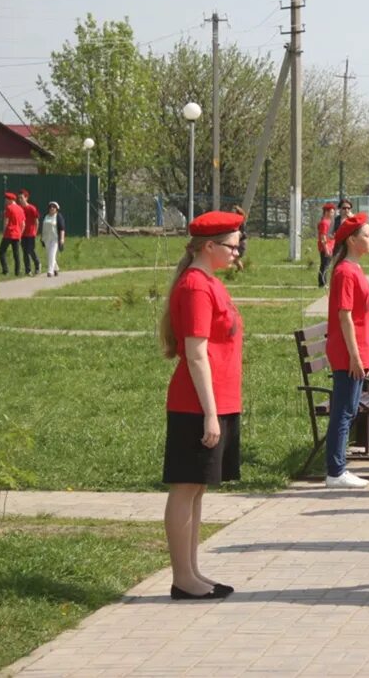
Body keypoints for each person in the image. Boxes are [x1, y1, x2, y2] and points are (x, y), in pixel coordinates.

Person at [158, 210, 245, 600]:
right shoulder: (196, 286)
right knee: (185, 487)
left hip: (216, 400)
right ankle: (182, 578)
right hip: (196, 405)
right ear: (208, 247)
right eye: (231, 244)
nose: (237, 251)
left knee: (197, 490)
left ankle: (191, 571)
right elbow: (195, 354)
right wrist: (210, 413)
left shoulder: (209, 281)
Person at [324, 212, 369, 489]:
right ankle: (335, 471)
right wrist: (355, 357)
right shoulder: (345, 271)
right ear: (353, 240)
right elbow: (344, 316)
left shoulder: (354, 269)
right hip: (348, 352)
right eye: (367, 235)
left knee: (349, 409)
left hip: (358, 349)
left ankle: (338, 466)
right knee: (343, 411)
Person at [0, 191, 25, 276]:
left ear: (10, 200)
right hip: (17, 234)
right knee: (16, 254)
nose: (5, 202)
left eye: (6, 200)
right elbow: (23, 224)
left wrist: (3, 232)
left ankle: (5, 270)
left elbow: (6, 221)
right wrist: (20, 234)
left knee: (1, 251)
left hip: (9, 233)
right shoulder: (20, 209)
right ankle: (17, 272)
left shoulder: (9, 208)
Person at [41, 201, 66, 277]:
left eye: (54, 207)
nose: (52, 208)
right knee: (49, 255)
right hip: (46, 238)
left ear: (57, 209)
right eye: (50, 207)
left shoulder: (58, 217)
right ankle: (56, 268)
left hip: (55, 239)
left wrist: (62, 239)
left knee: (52, 254)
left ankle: (50, 271)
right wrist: (42, 238)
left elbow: (62, 229)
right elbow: (43, 228)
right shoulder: (46, 216)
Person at [20, 190, 40, 276]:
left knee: (31, 250)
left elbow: (36, 221)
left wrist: (35, 232)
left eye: (21, 198)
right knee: (25, 252)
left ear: (26, 198)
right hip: (23, 233)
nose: (20, 200)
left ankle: (37, 264)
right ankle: (27, 270)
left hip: (31, 233)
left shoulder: (31, 208)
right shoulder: (20, 208)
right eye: (19, 198)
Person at [317, 203, 335, 288]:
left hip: (331, 247)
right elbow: (323, 237)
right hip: (326, 248)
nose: (333, 213)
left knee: (327, 265)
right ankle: (322, 283)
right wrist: (326, 249)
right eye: (331, 212)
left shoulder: (329, 222)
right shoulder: (324, 223)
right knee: (324, 265)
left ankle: (324, 282)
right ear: (326, 212)